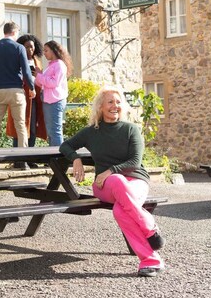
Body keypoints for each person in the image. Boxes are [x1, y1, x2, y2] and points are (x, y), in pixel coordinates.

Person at [60, 85, 165, 277]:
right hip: (105, 186)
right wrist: (76, 159)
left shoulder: (131, 129)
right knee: (116, 181)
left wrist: (110, 171)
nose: (114, 106)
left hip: (136, 181)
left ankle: (150, 260)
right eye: (110, 102)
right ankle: (149, 227)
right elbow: (65, 145)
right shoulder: (91, 132)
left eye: (118, 102)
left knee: (120, 210)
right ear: (100, 107)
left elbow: (135, 162)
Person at [0, 22, 36, 168]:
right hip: (16, 91)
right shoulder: (19, 48)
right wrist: (31, 88)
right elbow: (26, 72)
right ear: (14, 32)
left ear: (5, 31)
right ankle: (22, 160)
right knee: (20, 124)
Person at [6, 34, 47, 167]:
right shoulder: (16, 60)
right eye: (27, 47)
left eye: (32, 47)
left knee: (33, 129)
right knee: (20, 128)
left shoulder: (37, 61)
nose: (30, 50)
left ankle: (30, 159)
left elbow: (41, 79)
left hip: (34, 99)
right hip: (21, 97)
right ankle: (18, 160)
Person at [36, 40, 72, 146]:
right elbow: (43, 83)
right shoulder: (51, 65)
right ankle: (53, 159)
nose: (44, 53)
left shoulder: (60, 65)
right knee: (51, 132)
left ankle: (58, 159)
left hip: (55, 101)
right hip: (48, 101)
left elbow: (53, 83)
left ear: (53, 51)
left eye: (46, 50)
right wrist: (37, 75)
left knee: (55, 131)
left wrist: (39, 76)